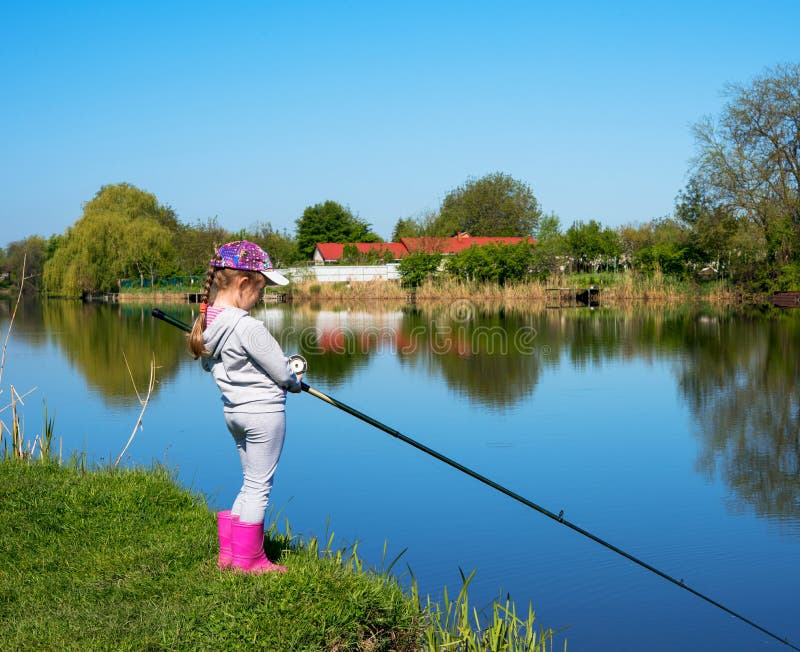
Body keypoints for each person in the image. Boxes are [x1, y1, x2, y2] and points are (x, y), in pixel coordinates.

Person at [188, 240, 301, 574]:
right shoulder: (248, 326)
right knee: (259, 486)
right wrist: (294, 379)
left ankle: (229, 555)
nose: (261, 296)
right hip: (263, 414)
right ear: (242, 283)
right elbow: (282, 371)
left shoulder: (209, 325)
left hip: (234, 413)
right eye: (261, 288)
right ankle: (250, 561)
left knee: (249, 482)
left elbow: (212, 366)